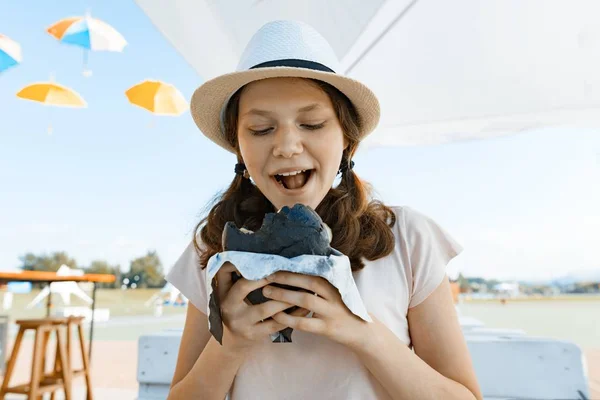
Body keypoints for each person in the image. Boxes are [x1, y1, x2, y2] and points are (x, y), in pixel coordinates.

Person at [166, 20, 482, 400]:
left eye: (312, 123)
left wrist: (360, 331)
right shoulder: (213, 246)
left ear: (347, 139)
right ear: (239, 149)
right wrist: (229, 344)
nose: (286, 146)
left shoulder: (408, 238)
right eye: (261, 129)